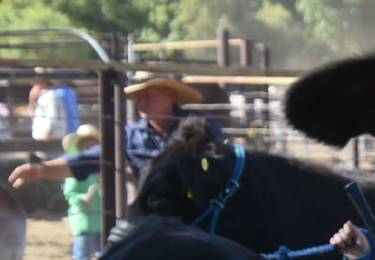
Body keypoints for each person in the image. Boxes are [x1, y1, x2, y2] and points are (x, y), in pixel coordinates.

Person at [8, 72, 223, 189]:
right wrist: (41, 170)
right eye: (139, 97)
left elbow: (222, 163)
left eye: (148, 95)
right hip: (154, 213)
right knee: (114, 250)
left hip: (202, 208)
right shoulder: (131, 135)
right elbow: (88, 160)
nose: (141, 102)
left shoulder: (200, 124)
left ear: (170, 95)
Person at [61, 124, 102, 260]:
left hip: (101, 220)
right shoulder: (77, 171)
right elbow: (69, 194)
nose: (91, 149)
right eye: (87, 146)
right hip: (84, 221)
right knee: (82, 259)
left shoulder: (102, 169)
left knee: (102, 257)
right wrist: (82, 198)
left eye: (94, 145)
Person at [28, 73, 80, 142]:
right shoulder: (47, 95)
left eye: (36, 83)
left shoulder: (51, 96)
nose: (33, 87)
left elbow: (52, 120)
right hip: (57, 139)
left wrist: (46, 137)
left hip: (51, 140)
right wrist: (32, 100)